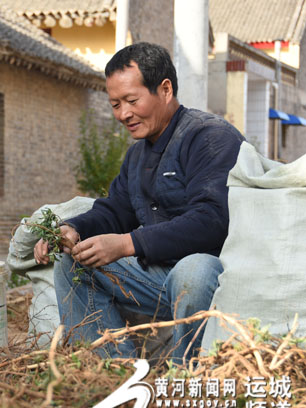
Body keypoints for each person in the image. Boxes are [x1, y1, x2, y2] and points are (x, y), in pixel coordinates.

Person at [34, 42, 244, 364]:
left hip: (213, 276)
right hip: (158, 276)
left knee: (195, 271)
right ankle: (116, 373)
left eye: (132, 101)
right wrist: (71, 228)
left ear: (165, 89)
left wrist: (128, 243)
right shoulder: (137, 155)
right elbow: (116, 210)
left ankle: (184, 382)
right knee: (74, 262)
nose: (123, 114)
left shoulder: (210, 137)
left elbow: (212, 219)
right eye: (115, 104)